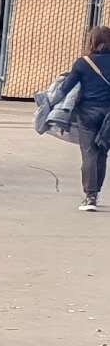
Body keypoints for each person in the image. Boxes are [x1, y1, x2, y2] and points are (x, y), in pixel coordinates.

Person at [71, 25, 110, 211]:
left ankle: (90, 196)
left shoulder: (82, 63)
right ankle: (97, 192)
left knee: (89, 153)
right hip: (108, 115)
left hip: (87, 113)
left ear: (92, 41)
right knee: (102, 152)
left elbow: (66, 87)